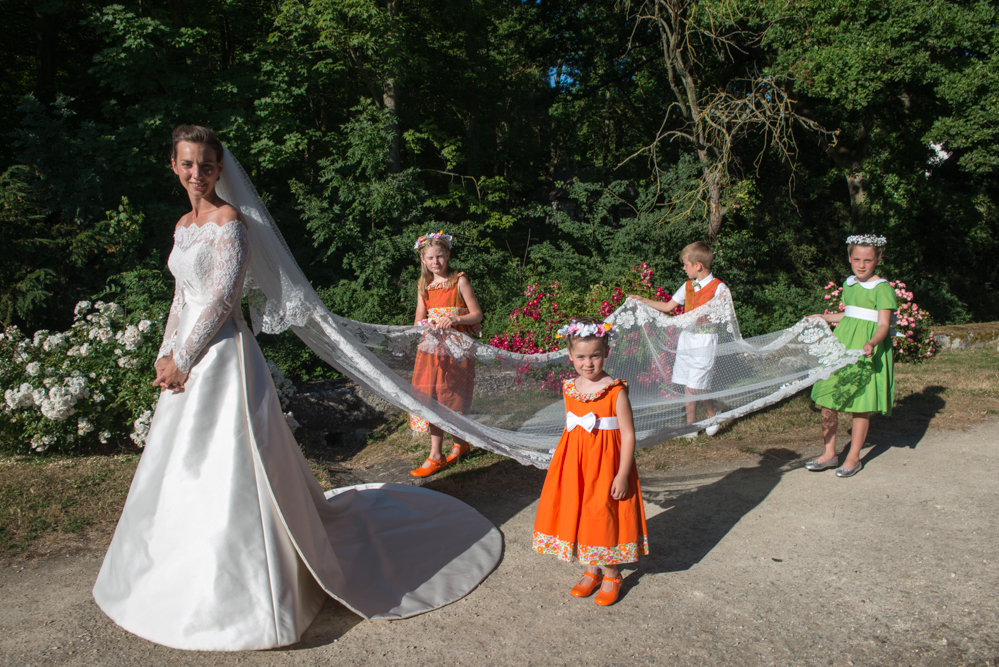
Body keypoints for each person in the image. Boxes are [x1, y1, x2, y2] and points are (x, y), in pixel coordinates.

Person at [92, 125, 501, 651]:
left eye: (207, 165)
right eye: (188, 164)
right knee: (179, 464)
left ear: (220, 169)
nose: (198, 174)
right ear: (173, 165)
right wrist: (165, 354)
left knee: (232, 465)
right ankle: (168, 572)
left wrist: (187, 359)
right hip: (186, 362)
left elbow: (220, 300)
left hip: (221, 360)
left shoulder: (230, 223)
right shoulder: (182, 225)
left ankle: (248, 591)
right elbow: (181, 296)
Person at [532, 318, 648, 606]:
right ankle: (591, 569)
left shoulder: (615, 391)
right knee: (581, 512)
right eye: (581, 357)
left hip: (606, 466)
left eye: (595, 355)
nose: (588, 363)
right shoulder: (569, 388)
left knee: (603, 513)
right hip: (575, 465)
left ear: (606, 353)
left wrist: (622, 474)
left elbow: (629, 435)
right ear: (570, 356)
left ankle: (612, 573)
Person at [805, 235, 896, 478]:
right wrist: (824, 317)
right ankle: (829, 453)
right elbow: (849, 315)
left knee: (860, 405)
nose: (862, 265)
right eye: (857, 259)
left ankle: (854, 457)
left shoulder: (882, 288)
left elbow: (883, 324)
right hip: (842, 344)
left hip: (865, 348)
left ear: (878, 259)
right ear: (849, 258)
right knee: (827, 397)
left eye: (868, 260)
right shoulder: (849, 284)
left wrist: (873, 342)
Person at [628, 240, 728, 437]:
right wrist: (643, 301)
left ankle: (712, 411)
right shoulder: (688, 286)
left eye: (686, 264)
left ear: (697, 265)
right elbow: (667, 307)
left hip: (705, 340)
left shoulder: (719, 288)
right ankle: (691, 425)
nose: (684, 268)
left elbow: (725, 317)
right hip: (688, 339)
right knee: (687, 383)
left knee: (696, 384)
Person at [408, 232, 483, 477]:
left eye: (440, 256)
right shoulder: (424, 288)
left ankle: (459, 444)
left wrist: (455, 318)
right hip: (432, 350)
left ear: (448, 255)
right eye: (430, 257)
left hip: (456, 350)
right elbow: (418, 320)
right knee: (431, 396)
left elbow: (477, 315)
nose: (436, 262)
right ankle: (437, 454)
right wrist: (426, 325)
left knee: (452, 396)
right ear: (423, 259)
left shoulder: (459, 281)